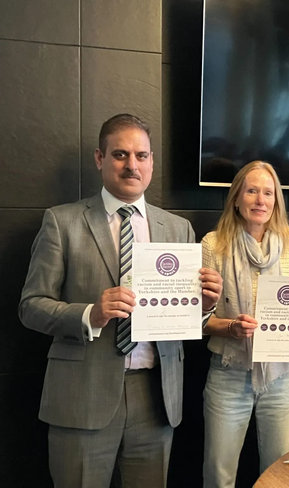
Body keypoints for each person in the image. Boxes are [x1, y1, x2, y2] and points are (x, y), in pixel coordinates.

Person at [18, 113, 222, 487]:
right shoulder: (62, 222)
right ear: (100, 158)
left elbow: (187, 321)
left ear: (152, 162)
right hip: (82, 395)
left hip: (156, 398)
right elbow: (31, 306)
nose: (132, 166)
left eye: (142, 156)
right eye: (120, 155)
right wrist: (90, 315)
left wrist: (206, 305)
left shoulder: (178, 229)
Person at [201, 160, 289, 487]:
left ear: (276, 200)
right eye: (252, 191)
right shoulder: (213, 244)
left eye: (268, 193)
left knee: (279, 475)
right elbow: (199, 320)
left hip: (283, 376)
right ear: (237, 198)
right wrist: (230, 328)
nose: (260, 200)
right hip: (229, 373)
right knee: (218, 474)